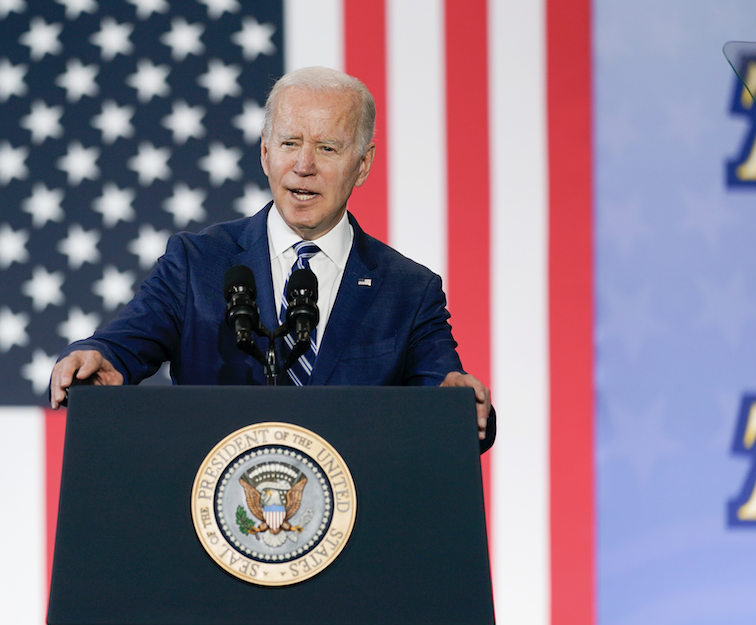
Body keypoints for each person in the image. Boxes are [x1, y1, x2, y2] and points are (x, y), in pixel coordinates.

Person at [50, 66, 494, 449]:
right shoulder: (196, 262)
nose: (304, 165)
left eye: (327, 148)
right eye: (289, 143)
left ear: (362, 164)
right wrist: (98, 356)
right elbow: (124, 343)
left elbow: (445, 392)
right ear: (264, 152)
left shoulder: (408, 291)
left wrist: (460, 404)